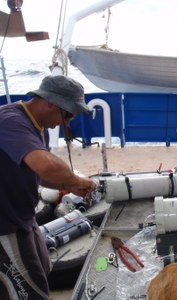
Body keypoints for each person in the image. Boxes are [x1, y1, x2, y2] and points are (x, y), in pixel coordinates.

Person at [0, 75, 96, 299]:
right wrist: (78, 180)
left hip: (23, 217)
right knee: (28, 290)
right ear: (50, 102)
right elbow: (45, 165)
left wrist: (67, 186)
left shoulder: (35, 125)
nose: (68, 122)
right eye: (68, 114)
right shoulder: (10, 122)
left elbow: (38, 174)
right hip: (4, 225)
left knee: (42, 267)